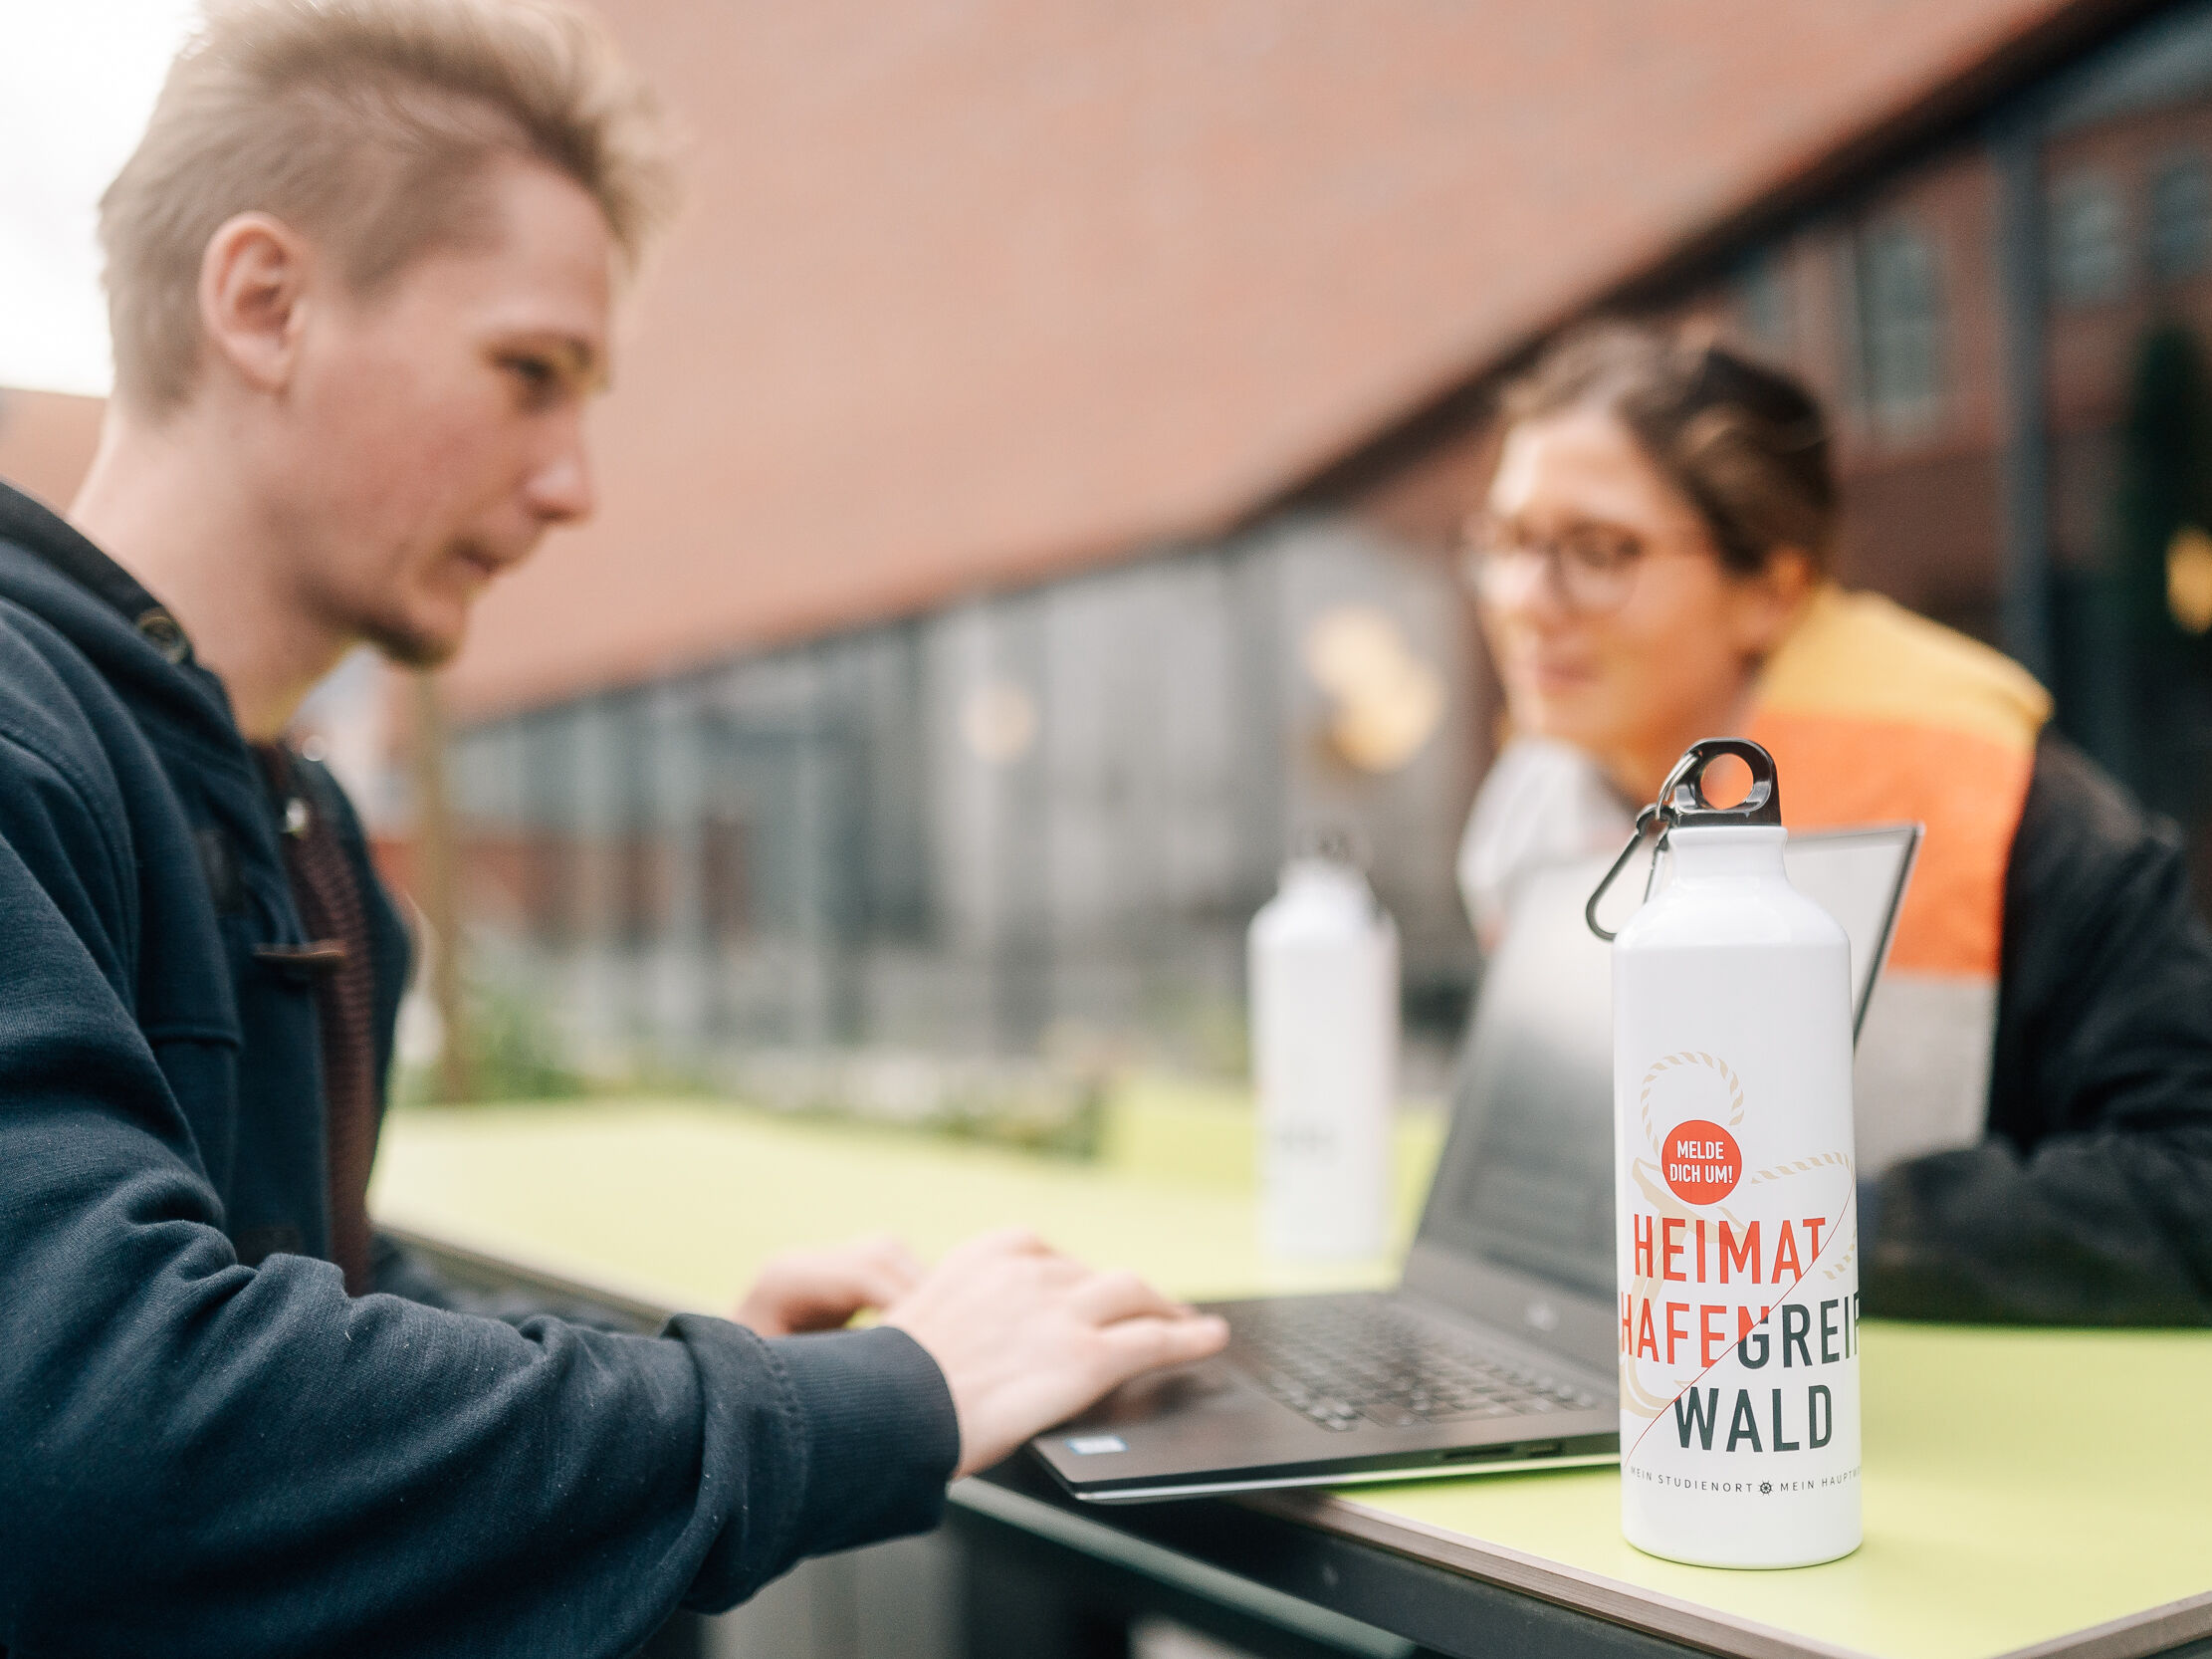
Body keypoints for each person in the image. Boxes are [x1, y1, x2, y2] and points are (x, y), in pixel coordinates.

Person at [0, 1, 1225, 1651]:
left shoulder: (300, 819)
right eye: (528, 373)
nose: (575, 482)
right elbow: (108, 1437)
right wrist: (854, 1405)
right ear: (264, 302)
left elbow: (320, 1302)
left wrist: (697, 1368)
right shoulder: (21, 737)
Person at [1459, 320, 2212, 1325]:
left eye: (1597, 551)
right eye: (1504, 543)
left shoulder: (2008, 805)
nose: (1522, 601)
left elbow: (2190, 1181)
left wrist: (1819, 1227)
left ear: (1770, 589)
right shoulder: (1533, 801)